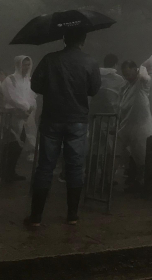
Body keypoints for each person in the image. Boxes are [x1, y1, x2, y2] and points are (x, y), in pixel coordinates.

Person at [25, 30, 101, 227]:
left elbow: (35, 85)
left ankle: (36, 217)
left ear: (64, 39)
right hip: (77, 120)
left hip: (52, 118)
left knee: (45, 166)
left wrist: (52, 89)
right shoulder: (90, 62)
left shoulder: (50, 59)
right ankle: (73, 215)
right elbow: (94, 89)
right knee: (75, 166)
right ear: (83, 41)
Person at [116, 60, 152, 192]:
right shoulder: (126, 86)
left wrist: (141, 70)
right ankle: (109, 179)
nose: (127, 77)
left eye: (129, 73)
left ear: (135, 70)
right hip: (127, 125)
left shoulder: (141, 82)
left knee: (142, 156)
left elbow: (145, 78)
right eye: (124, 74)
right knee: (120, 152)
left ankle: (143, 184)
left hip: (142, 126)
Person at [1, 55, 36, 183]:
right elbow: (11, 97)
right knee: (11, 144)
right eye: (24, 64)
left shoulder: (29, 80)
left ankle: (11, 171)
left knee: (19, 145)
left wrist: (30, 108)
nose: (26, 67)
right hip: (13, 116)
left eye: (28, 64)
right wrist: (25, 106)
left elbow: (32, 96)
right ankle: (5, 172)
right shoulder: (10, 80)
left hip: (26, 117)